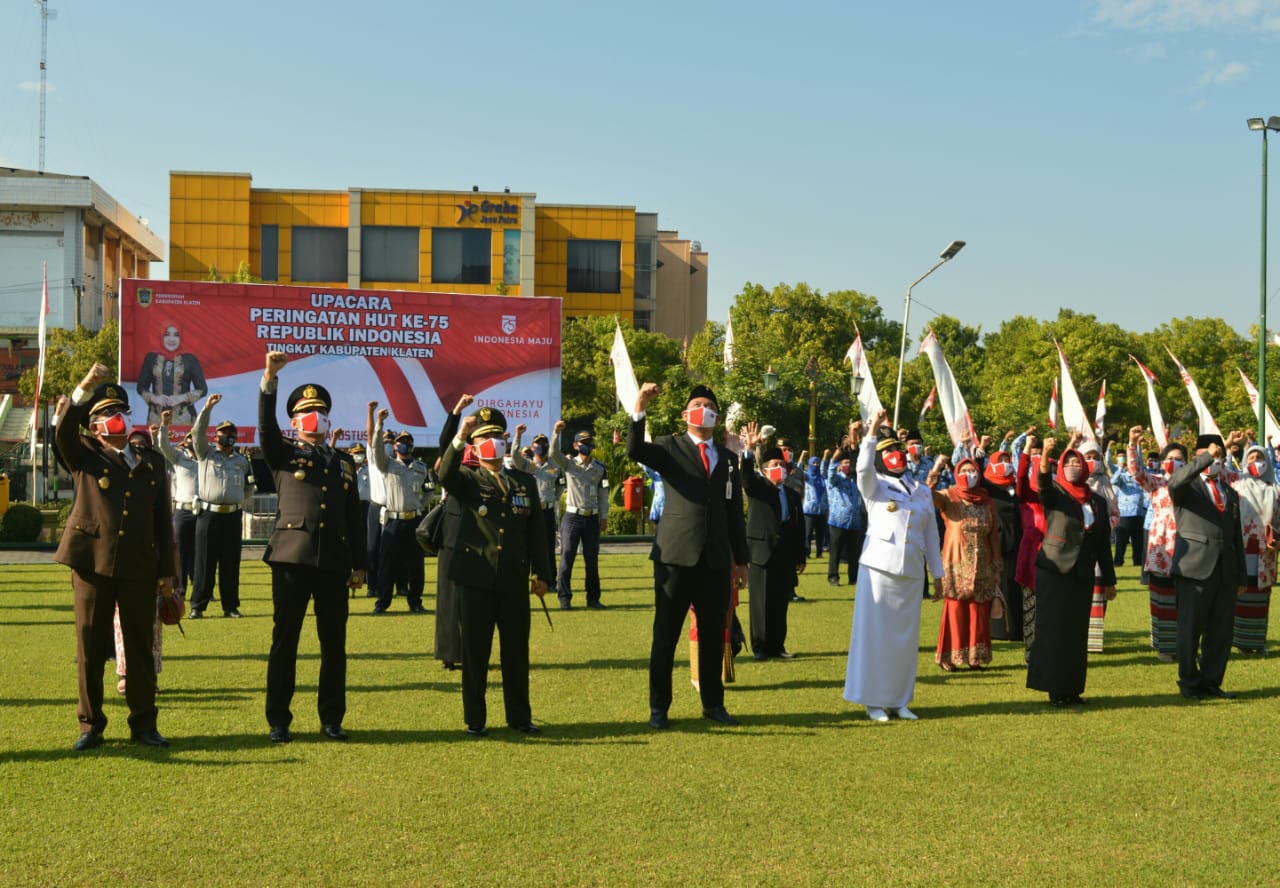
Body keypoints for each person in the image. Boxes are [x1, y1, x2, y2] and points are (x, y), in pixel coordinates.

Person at [55, 363, 177, 750]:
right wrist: (84, 387)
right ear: (94, 427)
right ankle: (90, 726)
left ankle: (144, 724)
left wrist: (168, 573)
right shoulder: (84, 454)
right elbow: (63, 432)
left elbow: (163, 522)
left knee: (140, 648)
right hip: (92, 564)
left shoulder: (151, 461)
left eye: (121, 411)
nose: (117, 418)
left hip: (140, 566)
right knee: (91, 648)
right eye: (107, 413)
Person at [258, 352, 366, 743]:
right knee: (285, 640)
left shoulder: (343, 462)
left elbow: (355, 516)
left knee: (334, 644)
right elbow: (266, 429)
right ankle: (278, 720)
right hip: (292, 558)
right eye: (306, 413)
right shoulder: (284, 452)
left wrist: (360, 564)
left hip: (334, 561)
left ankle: (331, 718)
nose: (314, 418)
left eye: (319, 412)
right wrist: (269, 380)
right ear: (294, 422)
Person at [628, 381, 749, 729]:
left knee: (712, 636)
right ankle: (659, 708)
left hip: (715, 560)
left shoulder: (728, 459)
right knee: (665, 635)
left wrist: (741, 561)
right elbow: (635, 450)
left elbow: (733, 514)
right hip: (676, 556)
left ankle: (713, 703)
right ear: (685, 415)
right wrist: (640, 406)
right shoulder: (670, 447)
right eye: (697, 405)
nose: (703, 410)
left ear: (717, 417)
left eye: (710, 406)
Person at [438, 405, 553, 736]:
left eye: (496, 437)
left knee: (516, 652)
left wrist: (542, 574)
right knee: (475, 653)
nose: (492, 443)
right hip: (475, 578)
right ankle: (475, 720)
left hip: (513, 579)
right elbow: (445, 475)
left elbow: (536, 533)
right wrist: (459, 437)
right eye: (483, 438)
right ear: (474, 447)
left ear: (505, 442)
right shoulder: (467, 479)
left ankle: (519, 716)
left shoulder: (523, 482)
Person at [843, 411, 944, 722]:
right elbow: (862, 468)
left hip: (911, 572)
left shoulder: (921, 490)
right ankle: (873, 701)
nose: (896, 455)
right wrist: (872, 431)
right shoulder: (875, 486)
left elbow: (931, 535)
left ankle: (899, 700)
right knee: (875, 638)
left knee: (905, 641)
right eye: (888, 451)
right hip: (879, 570)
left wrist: (938, 575)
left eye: (898, 449)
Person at [1025, 440, 1115, 707]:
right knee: (1054, 631)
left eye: (1078, 462)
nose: (1074, 467)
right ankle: (1054, 689)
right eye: (1068, 463)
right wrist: (1046, 456)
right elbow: (1042, 484)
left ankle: (1072, 688)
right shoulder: (1056, 493)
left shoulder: (1097, 501)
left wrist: (1109, 581)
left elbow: (1103, 544)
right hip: (1055, 570)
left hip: (1082, 574)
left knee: (1076, 634)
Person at [1168, 433, 1246, 699]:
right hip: (1194, 568)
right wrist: (1205, 458)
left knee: (1220, 632)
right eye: (1210, 455)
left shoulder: (1230, 493)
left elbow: (1236, 536)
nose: (1215, 460)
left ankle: (1211, 680)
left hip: (1225, 571)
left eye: (1218, 456)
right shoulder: (1186, 488)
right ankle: (1189, 682)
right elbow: (1175, 480)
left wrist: (1241, 575)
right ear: (1197, 457)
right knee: (1190, 630)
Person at [739, 423, 807, 660]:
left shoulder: (791, 494)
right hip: (762, 551)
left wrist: (801, 554)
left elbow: (799, 526)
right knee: (761, 601)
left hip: (785, 553)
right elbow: (746, 478)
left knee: (780, 601)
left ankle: (777, 646)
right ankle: (760, 646)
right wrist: (749, 451)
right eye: (774, 465)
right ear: (765, 470)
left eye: (782, 465)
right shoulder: (759, 488)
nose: (780, 468)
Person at [929, 456, 1002, 671]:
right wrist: (936, 469)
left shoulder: (987, 502)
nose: (968, 475)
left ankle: (975, 657)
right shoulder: (949, 496)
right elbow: (927, 497)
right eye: (964, 471)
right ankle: (949, 657)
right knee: (955, 609)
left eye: (972, 472)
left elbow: (994, 536)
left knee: (978, 610)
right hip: (956, 562)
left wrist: (997, 566)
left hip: (983, 564)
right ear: (956, 473)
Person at [189, 395, 255, 619]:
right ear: (215, 436)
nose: (229, 436)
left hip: (233, 516)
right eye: (224, 433)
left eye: (232, 433)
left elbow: (249, 486)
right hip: (209, 515)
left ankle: (230, 607)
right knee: (204, 563)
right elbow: (197, 432)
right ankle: (198, 606)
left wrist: (239, 499)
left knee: (231, 564)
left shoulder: (242, 461)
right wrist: (207, 408)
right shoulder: (205, 453)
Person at [1127, 430, 1183, 662]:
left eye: (1179, 459)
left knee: (1184, 600)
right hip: (1161, 548)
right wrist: (1132, 444)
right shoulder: (1157, 483)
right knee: (1162, 598)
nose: (1173, 462)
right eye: (1169, 458)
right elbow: (1136, 471)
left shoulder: (1194, 485)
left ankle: (1183, 645)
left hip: (1187, 549)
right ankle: (1164, 646)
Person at [369, 411, 431, 614]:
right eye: (401, 441)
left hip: (414, 520)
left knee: (416, 565)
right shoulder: (387, 464)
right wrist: (379, 424)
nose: (405, 444)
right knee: (387, 564)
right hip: (393, 521)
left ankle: (415, 601)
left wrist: (420, 504)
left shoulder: (421, 467)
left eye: (408, 441)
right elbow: (376, 448)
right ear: (395, 446)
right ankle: (382, 602)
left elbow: (429, 490)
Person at [431, 394, 474, 671]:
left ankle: (473, 652)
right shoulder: (451, 463)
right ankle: (449, 654)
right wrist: (457, 412)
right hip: (452, 533)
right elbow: (446, 441)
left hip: (478, 533)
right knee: (448, 599)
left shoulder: (484, 462)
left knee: (475, 599)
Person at [550, 424, 610, 609]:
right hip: (573, 517)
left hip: (591, 518)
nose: (587, 445)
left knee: (592, 560)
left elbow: (603, 494)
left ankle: (593, 599)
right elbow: (553, 453)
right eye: (583, 442)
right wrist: (556, 433)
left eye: (589, 442)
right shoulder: (569, 464)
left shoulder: (599, 467)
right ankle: (564, 598)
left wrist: (604, 516)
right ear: (575, 445)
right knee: (567, 558)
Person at [1230, 444, 1279, 653]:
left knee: (1260, 598)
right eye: (1251, 458)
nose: (1256, 462)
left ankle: (1257, 642)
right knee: (1241, 595)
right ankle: (1240, 642)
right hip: (1240, 549)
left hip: (1264, 553)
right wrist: (1228, 449)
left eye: (1260, 458)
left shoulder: (1275, 490)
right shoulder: (1237, 484)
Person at [154, 419, 200, 598]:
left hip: (202, 512)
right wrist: (164, 425)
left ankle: (200, 589)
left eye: (195, 438)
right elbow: (163, 446)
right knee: (180, 552)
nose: (192, 441)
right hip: (183, 511)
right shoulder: (179, 457)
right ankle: (180, 587)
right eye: (189, 438)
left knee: (200, 554)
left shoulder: (208, 458)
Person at [983, 447, 1023, 641]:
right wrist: (980, 451)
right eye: (1001, 461)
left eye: (1008, 461)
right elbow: (977, 475)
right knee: (999, 586)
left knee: (1016, 588)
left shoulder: (1015, 486)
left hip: (1019, 544)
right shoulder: (990, 487)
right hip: (998, 544)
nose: (1005, 465)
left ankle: (1016, 629)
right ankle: (998, 630)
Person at [509, 426, 562, 577]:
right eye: (538, 443)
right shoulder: (527, 465)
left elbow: (560, 484)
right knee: (526, 547)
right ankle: (525, 580)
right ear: (532, 447)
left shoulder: (554, 466)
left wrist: (554, 497)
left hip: (547, 511)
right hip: (530, 511)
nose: (541, 446)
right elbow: (514, 455)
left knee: (549, 548)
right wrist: (518, 435)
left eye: (544, 443)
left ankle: (550, 581)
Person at [135, 322, 208, 426]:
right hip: (156, 420)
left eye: (176, 335)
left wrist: (181, 398)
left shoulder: (190, 359)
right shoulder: (151, 358)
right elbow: (141, 387)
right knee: (157, 437)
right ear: (161, 336)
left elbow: (202, 389)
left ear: (181, 337)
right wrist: (154, 398)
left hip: (184, 419)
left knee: (184, 438)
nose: (171, 339)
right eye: (167, 334)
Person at [825, 430, 866, 588]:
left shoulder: (856, 481)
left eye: (849, 463)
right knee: (835, 551)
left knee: (854, 553)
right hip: (838, 521)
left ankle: (853, 578)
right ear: (840, 466)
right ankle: (833, 577)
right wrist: (835, 458)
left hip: (855, 521)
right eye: (845, 463)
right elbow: (829, 473)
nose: (847, 465)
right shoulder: (836, 480)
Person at [802, 455, 828, 558]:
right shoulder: (807, 476)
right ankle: (806, 553)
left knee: (820, 534)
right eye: (814, 463)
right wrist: (802, 456)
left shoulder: (822, 478)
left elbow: (824, 468)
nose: (816, 465)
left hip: (821, 510)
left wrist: (825, 457)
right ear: (810, 464)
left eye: (817, 463)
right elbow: (798, 470)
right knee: (808, 533)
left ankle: (819, 553)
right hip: (809, 510)